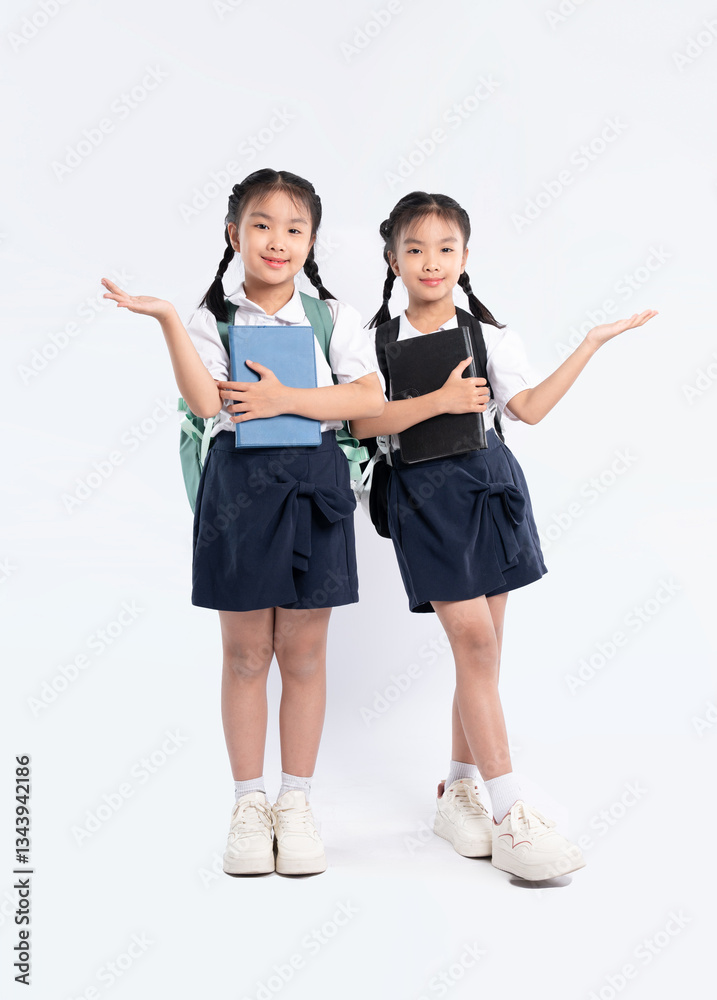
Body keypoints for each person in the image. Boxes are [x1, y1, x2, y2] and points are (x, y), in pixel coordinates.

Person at [349, 191, 657, 881]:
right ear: (391, 257)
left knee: (482, 654)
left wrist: (591, 342)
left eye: (446, 248)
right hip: (421, 497)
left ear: (465, 255)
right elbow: (359, 425)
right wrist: (434, 403)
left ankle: (458, 789)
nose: (431, 262)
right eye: (415, 248)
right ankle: (512, 811)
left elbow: (529, 410)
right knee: (475, 642)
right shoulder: (366, 339)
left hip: (489, 486)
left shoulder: (489, 334)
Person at [101, 168, 383, 877]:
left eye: (294, 228)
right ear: (234, 234)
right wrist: (168, 317)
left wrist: (286, 397)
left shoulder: (332, 318)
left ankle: (297, 801)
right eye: (261, 225)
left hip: (315, 487)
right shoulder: (212, 318)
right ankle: (248, 805)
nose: (277, 241)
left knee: (307, 655)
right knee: (245, 654)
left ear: (311, 239)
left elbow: (368, 400)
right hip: (240, 493)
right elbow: (204, 405)